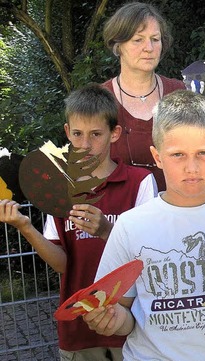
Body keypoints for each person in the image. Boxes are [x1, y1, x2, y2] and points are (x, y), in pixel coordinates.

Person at [82, 90, 205, 360]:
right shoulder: (131, 226)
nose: (192, 167)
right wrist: (109, 319)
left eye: (202, 153)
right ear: (157, 157)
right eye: (178, 155)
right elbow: (125, 316)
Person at [0, 84, 156, 361]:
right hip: (78, 328)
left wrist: (107, 230)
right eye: (77, 134)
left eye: (95, 134)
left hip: (132, 324)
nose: (85, 145)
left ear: (114, 133)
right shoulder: (60, 190)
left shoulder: (140, 182)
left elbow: (150, 254)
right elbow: (62, 264)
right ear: (67, 133)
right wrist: (25, 227)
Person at [102, 2, 205, 191]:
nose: (148, 48)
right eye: (138, 40)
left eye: (155, 39)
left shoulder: (183, 93)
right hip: (117, 217)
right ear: (118, 46)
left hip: (177, 213)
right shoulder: (100, 99)